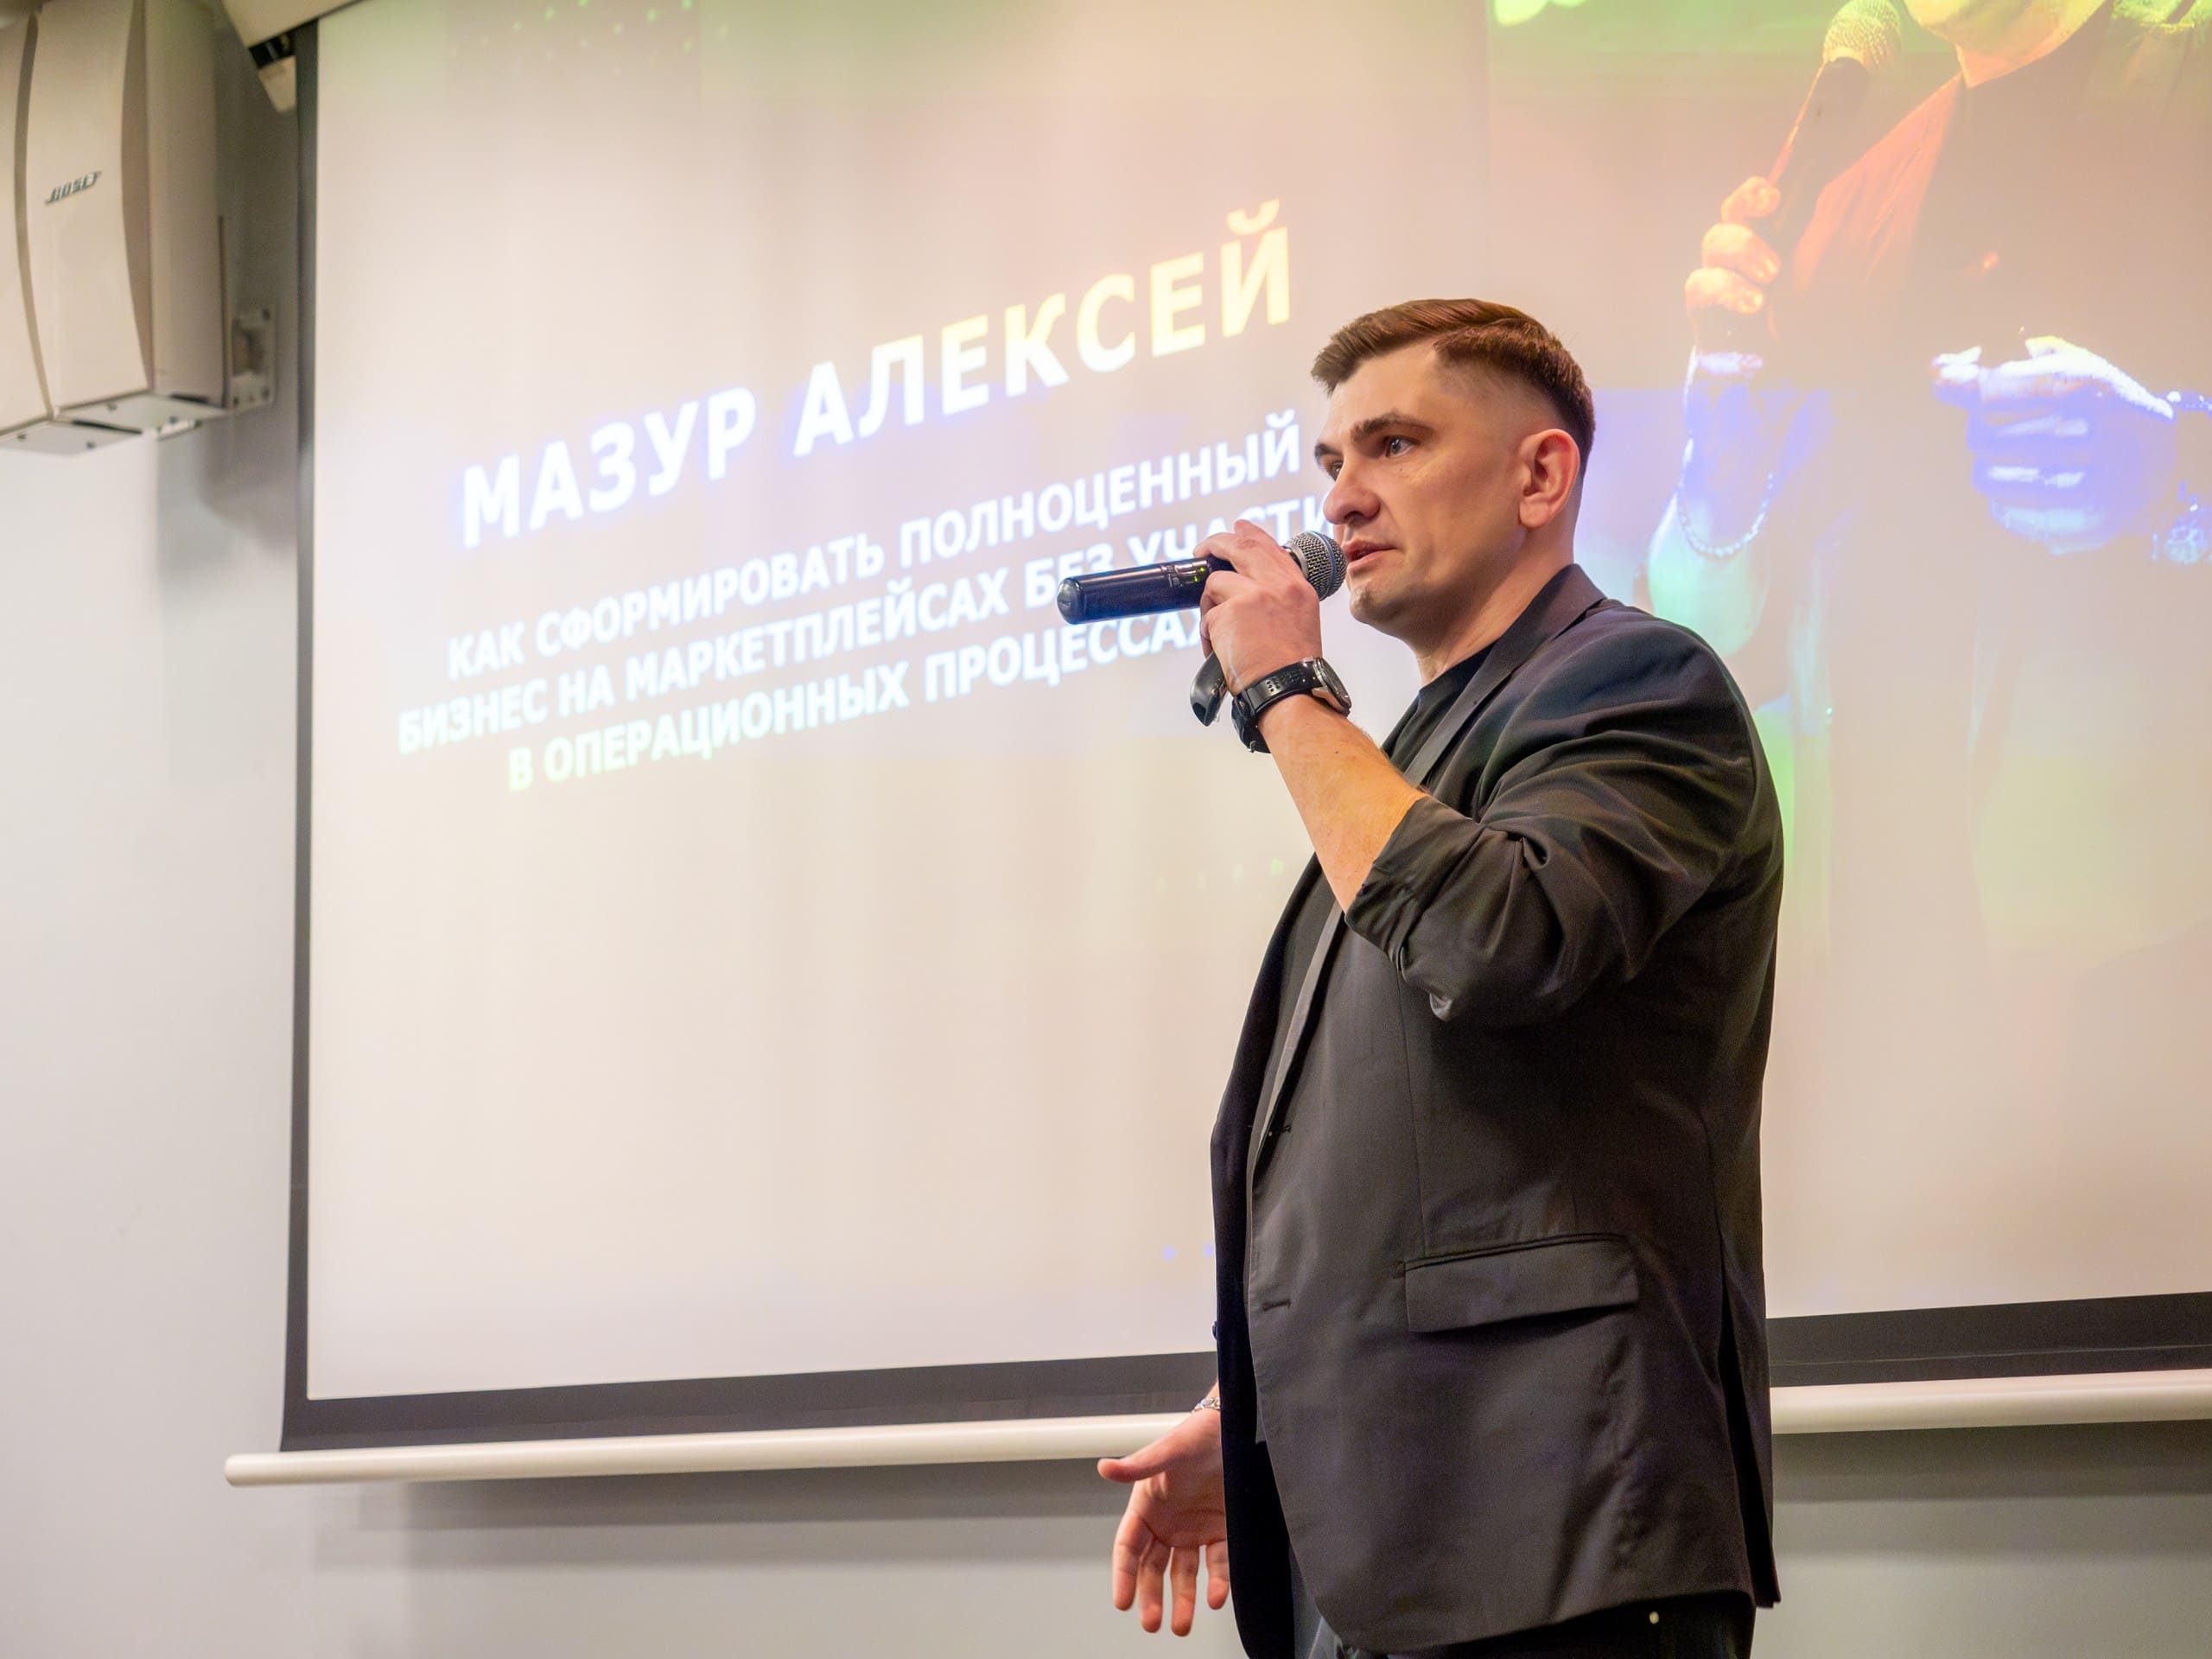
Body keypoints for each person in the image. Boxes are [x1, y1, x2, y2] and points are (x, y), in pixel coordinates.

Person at [1098, 300, 1785, 1659]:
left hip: (1559, 1529)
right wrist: (1266, 1411)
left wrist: (1285, 690)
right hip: (1405, 1534)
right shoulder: (1415, 755)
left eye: (1396, 445)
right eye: (1331, 462)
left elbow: (1493, 941)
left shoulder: (1638, 681)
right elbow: (1420, 1166)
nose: (1343, 498)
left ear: (1541, 475)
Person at [1648, 0, 2211, 1296]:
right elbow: (1724, 638)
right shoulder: (1860, 190)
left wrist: (2181, 472)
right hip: (1892, 1036)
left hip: (2157, 999)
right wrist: (1719, 468)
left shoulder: (2186, 75)